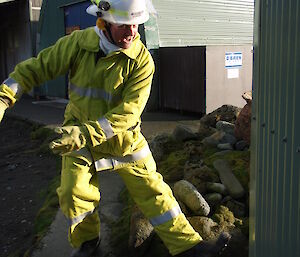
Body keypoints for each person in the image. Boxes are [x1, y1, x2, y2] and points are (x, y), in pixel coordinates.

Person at [0, 0, 230, 256]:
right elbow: (36, 68)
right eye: (123, 25)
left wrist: (84, 134)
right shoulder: (78, 44)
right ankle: (89, 244)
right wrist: (5, 96)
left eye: (136, 24)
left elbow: (128, 114)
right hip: (80, 136)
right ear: (104, 22)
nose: (132, 32)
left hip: (121, 139)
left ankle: (189, 247)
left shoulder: (142, 61)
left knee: (154, 193)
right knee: (73, 192)